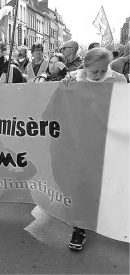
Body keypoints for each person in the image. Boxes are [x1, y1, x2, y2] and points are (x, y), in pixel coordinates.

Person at [62, 47, 126, 251]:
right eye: (94, 72)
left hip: (111, 141)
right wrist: (63, 86)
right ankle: (79, 227)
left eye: (102, 71)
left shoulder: (119, 80)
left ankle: (115, 224)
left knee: (110, 183)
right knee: (82, 185)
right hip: (83, 142)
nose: (99, 76)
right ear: (85, 67)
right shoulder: (73, 79)